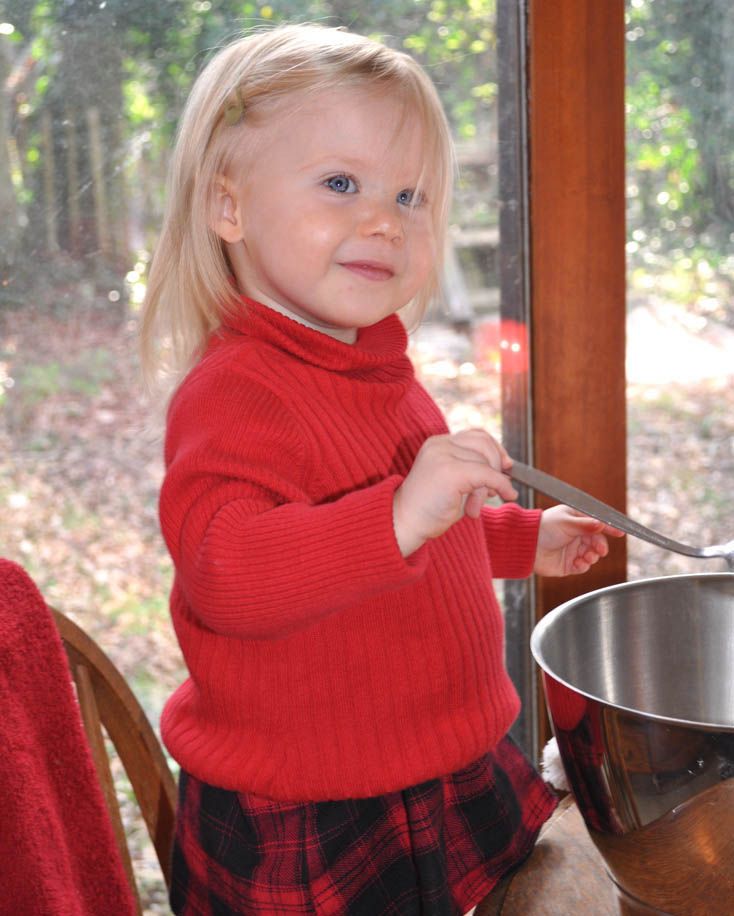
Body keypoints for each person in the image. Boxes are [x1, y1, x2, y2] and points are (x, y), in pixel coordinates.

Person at [140, 23, 622, 916]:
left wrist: (522, 538)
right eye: (340, 184)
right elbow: (226, 575)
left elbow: (412, 539)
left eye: (409, 195)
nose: (384, 220)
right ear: (227, 207)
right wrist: (403, 512)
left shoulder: (375, 366)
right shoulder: (235, 391)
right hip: (313, 805)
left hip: (439, 766)